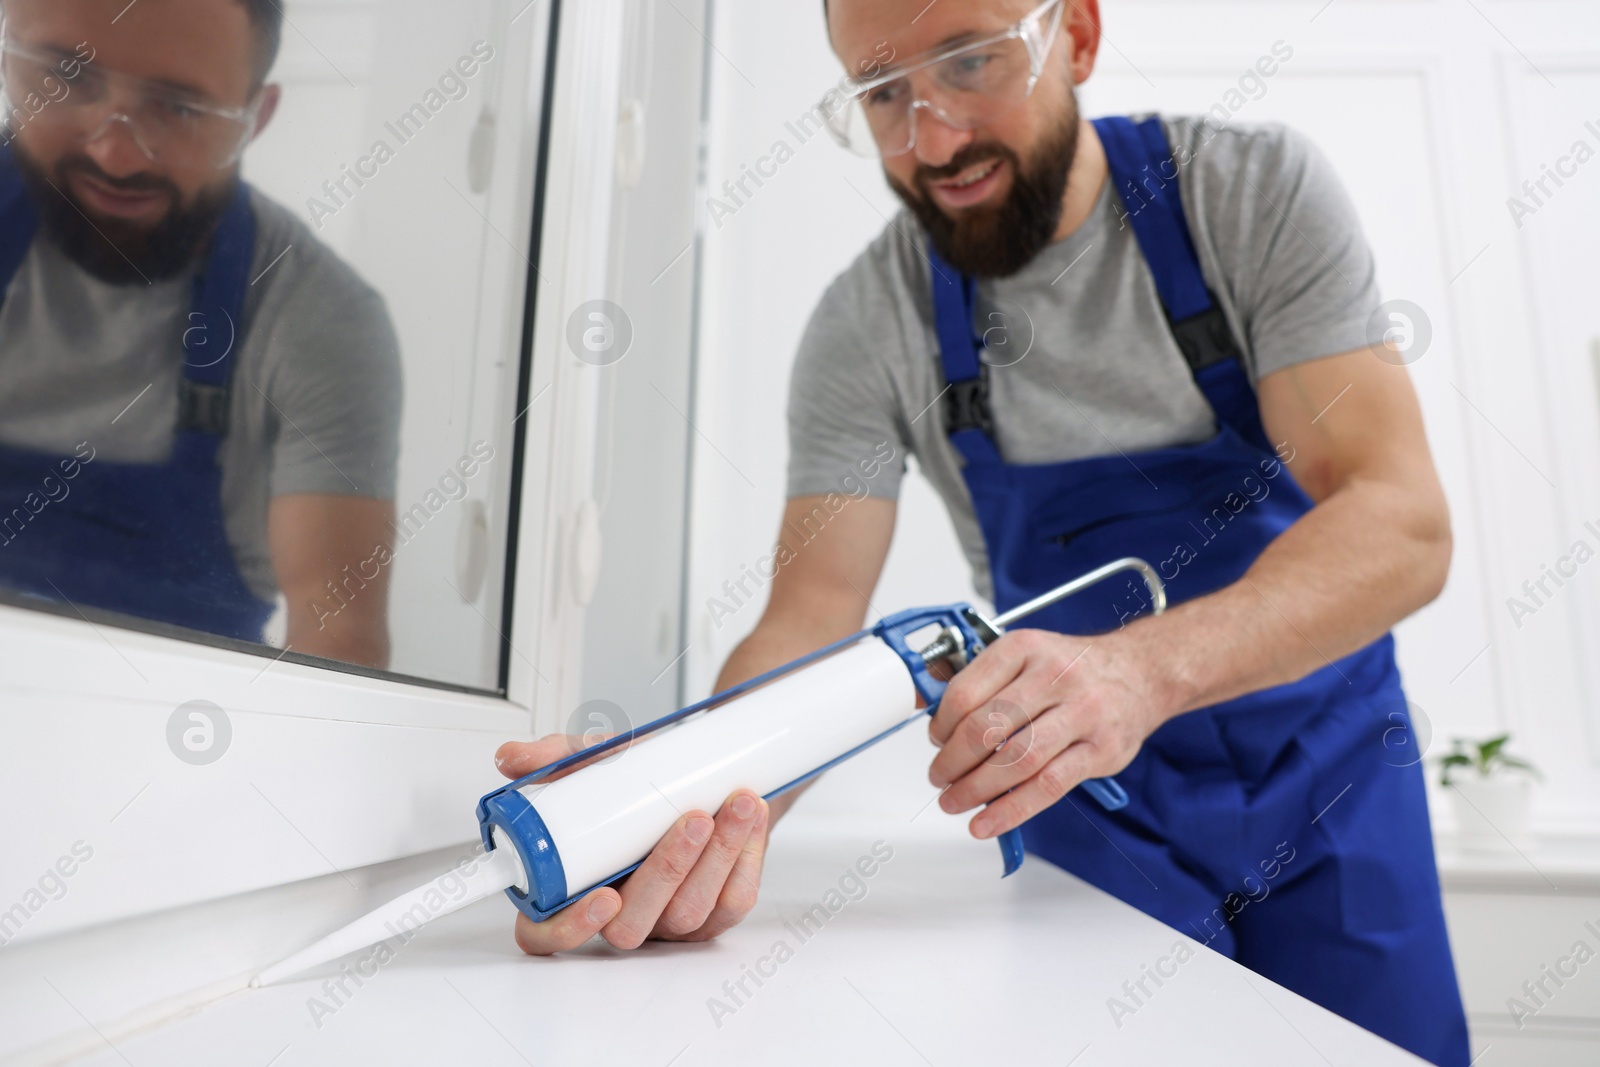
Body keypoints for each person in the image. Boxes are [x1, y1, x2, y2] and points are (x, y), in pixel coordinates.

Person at [497, 2, 1469, 1064]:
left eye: (970, 60)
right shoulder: (868, 326)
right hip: (1083, 802)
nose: (933, 137)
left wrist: (1144, 672)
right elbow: (809, 616)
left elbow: (1400, 520)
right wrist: (662, 803)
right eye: (880, 92)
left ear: (1079, 38)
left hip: (1333, 777)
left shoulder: (1247, 194)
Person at [0, 0, 401, 666]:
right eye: (67, 78)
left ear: (255, 118)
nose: (116, 152)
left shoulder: (322, 323)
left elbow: (339, 650)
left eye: (180, 108)